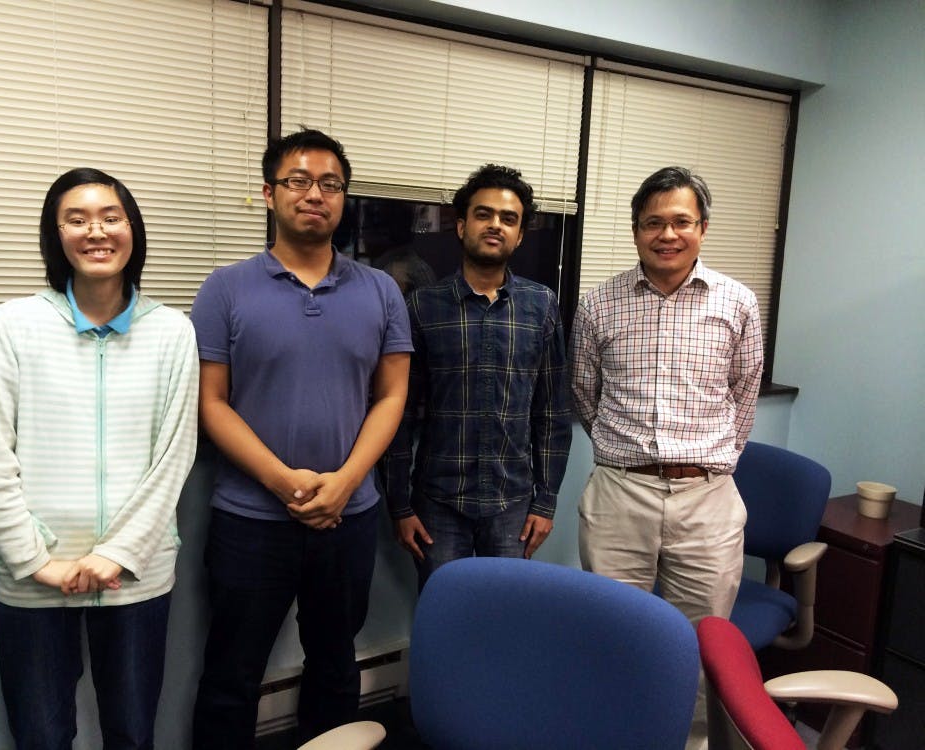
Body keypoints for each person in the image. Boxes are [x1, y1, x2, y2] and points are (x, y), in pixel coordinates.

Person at [190, 129, 412, 748]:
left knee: (336, 664)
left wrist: (344, 483)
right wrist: (284, 481)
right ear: (269, 193)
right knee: (232, 673)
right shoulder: (225, 289)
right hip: (250, 519)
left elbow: (392, 395)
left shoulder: (380, 290)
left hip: (349, 517)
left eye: (330, 184)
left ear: (343, 199)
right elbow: (211, 404)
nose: (315, 194)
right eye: (298, 180)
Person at [0, 167, 199, 749]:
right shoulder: (13, 326)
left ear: (132, 230)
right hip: (31, 578)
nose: (96, 232)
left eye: (110, 217)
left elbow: (174, 455)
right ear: (57, 236)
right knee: (41, 735)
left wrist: (117, 553)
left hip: (134, 575)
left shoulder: (172, 332)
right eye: (76, 219)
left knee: (132, 729)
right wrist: (34, 559)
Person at [569, 165, 764, 748]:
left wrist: (709, 461)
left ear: (702, 228)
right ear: (636, 232)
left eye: (681, 221)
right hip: (619, 492)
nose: (667, 234)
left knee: (702, 641)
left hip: (708, 497)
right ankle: (615, 734)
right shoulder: (598, 305)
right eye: (653, 222)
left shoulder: (738, 303)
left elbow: (743, 393)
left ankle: (693, 740)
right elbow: (585, 393)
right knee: (614, 632)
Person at [383, 164, 571, 589]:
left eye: (509, 219)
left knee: (503, 614)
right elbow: (399, 413)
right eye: (484, 214)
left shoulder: (541, 306)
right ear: (462, 224)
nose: (495, 225)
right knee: (444, 615)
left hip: (514, 505)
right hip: (436, 503)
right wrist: (399, 505)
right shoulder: (422, 307)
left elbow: (552, 414)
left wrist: (547, 501)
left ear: (520, 234)